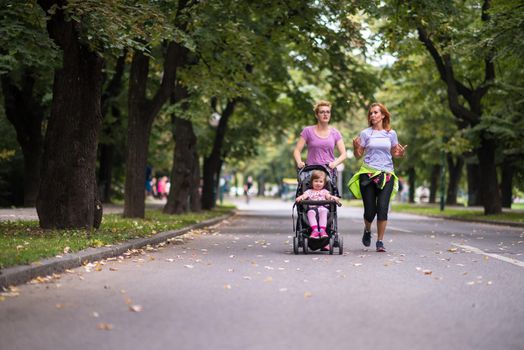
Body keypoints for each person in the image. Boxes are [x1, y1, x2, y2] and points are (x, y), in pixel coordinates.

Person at [348, 102, 407, 252]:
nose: (372, 115)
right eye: (371, 113)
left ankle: (380, 241)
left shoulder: (391, 134)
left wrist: (400, 154)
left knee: (382, 208)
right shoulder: (365, 133)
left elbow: (394, 152)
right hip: (368, 174)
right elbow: (358, 156)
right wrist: (355, 148)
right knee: (370, 211)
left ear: (383, 115)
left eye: (375, 112)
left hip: (387, 174)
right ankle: (367, 230)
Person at [293, 100, 347, 172]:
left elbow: (344, 154)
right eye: (322, 112)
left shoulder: (335, 133)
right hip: (312, 172)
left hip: (329, 172)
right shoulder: (307, 131)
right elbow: (297, 150)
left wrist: (334, 163)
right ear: (316, 115)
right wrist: (299, 162)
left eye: (328, 112)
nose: (325, 114)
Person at [295, 170, 341, 239]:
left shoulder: (325, 192)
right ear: (312, 182)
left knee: (323, 211)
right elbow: (304, 196)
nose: (318, 183)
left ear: (324, 183)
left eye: (320, 181)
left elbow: (329, 197)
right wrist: (300, 197)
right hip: (312, 209)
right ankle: (315, 230)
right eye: (316, 181)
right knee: (310, 212)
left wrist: (333, 197)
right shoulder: (309, 191)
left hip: (323, 209)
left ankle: (322, 230)